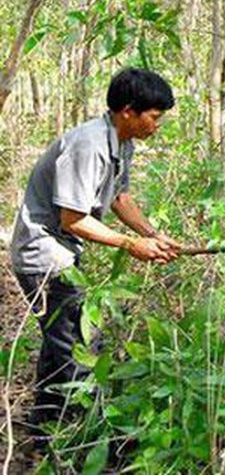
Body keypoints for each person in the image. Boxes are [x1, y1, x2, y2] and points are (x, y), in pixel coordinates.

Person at [9, 68, 181, 437]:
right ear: (128, 111)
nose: (158, 125)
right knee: (81, 345)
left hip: (62, 252)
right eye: (154, 117)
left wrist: (153, 235)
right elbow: (73, 219)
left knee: (62, 341)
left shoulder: (122, 143)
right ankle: (83, 438)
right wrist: (132, 245)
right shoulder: (88, 145)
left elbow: (120, 198)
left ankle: (45, 428)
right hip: (44, 254)